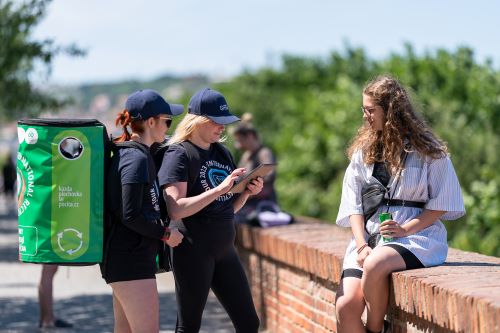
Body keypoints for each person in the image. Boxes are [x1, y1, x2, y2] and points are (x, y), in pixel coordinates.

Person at [334, 75, 465, 333]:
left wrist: (406, 229)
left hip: (417, 236)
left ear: (391, 111)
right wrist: (361, 245)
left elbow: (442, 202)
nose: (365, 116)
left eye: (370, 110)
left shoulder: (429, 151)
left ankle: (376, 330)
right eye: (364, 110)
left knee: (375, 264)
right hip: (369, 238)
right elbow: (353, 205)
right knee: (345, 306)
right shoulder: (364, 151)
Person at [159, 88, 262, 333]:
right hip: (192, 250)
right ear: (200, 121)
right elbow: (175, 209)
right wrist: (220, 189)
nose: (223, 128)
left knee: (249, 323)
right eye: (219, 123)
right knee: (189, 326)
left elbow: (228, 207)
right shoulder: (179, 154)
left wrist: (246, 191)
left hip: (225, 250)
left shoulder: (221, 152)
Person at [100, 89, 184, 333]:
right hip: (130, 260)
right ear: (150, 122)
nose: (169, 127)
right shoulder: (134, 159)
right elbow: (130, 213)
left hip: (126, 258)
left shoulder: (134, 154)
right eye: (167, 121)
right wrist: (166, 234)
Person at [232, 113, 278, 224]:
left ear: (250, 136)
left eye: (240, 140)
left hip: (263, 204)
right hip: (246, 204)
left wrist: (250, 182)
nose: (238, 145)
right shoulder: (246, 155)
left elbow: (269, 175)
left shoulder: (264, 153)